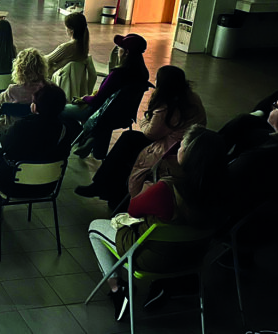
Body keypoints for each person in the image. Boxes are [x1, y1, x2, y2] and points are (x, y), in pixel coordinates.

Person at [88, 125, 226, 321]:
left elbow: (133, 209)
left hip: (150, 260)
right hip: (193, 259)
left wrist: (147, 186)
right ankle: (170, 287)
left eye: (182, 146)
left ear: (189, 155)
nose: (178, 148)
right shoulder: (223, 194)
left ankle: (118, 287)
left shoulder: (166, 189)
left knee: (95, 227)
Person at [75, 66, 206, 209]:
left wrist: (144, 120)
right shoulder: (190, 97)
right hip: (182, 143)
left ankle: (103, 187)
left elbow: (150, 133)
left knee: (127, 145)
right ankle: (106, 189)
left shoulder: (167, 107)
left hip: (170, 149)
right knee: (128, 142)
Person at [0, 84, 72, 217]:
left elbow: (5, 145)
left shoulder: (21, 127)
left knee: (1, 155)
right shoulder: (64, 130)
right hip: (46, 187)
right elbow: (64, 153)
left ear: (34, 106)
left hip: (11, 186)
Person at [61, 33, 150, 124]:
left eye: (120, 48)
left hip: (99, 112)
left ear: (126, 53)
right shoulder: (142, 74)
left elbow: (97, 100)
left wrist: (85, 98)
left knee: (57, 110)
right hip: (120, 115)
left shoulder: (117, 74)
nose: (118, 50)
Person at [0, 48, 47, 144]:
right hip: (40, 128)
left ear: (19, 69)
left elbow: (0, 103)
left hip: (12, 127)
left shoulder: (13, 90)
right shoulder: (47, 88)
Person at [45, 11, 89, 77]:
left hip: (56, 78)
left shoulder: (68, 47)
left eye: (66, 26)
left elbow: (46, 60)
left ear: (71, 30)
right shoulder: (84, 46)